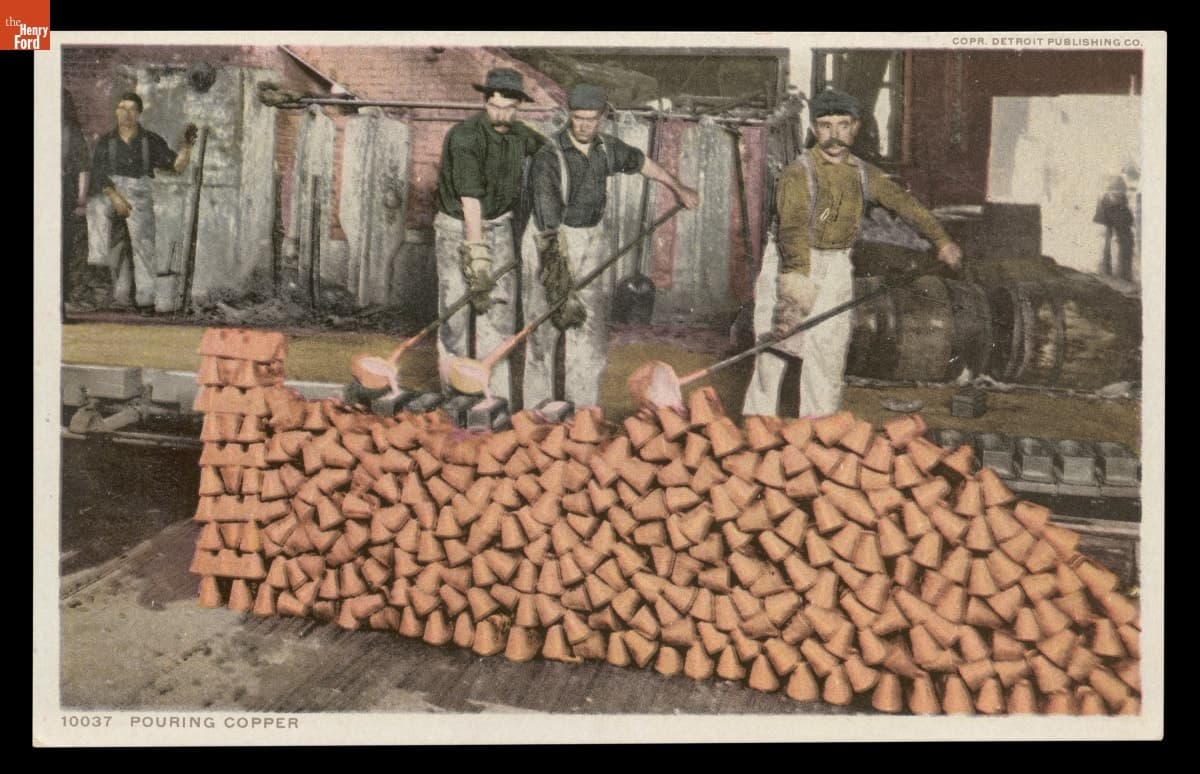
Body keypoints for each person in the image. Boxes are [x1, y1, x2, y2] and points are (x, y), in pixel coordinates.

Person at [743, 89, 963, 418]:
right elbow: (793, 235)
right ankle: (757, 423)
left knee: (828, 350)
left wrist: (942, 240)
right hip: (791, 263)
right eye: (826, 126)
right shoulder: (797, 174)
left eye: (842, 125)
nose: (834, 135)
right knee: (774, 350)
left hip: (835, 263)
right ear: (814, 129)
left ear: (855, 127)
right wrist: (792, 304)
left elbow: (904, 203)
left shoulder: (863, 173)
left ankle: (817, 426)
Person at [521, 83, 699, 409]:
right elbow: (547, 227)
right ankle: (537, 411)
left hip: (591, 237)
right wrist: (561, 287)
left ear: (601, 118)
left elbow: (641, 162)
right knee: (544, 330)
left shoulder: (606, 148)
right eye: (577, 118)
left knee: (588, 330)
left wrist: (678, 188)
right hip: (550, 239)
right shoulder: (549, 156)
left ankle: (583, 410)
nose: (583, 125)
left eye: (590, 119)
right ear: (569, 116)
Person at [433, 68, 545, 402]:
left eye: (509, 109)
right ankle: (453, 395)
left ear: (519, 106)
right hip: (458, 228)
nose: (501, 115)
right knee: (455, 313)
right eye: (495, 107)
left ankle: (493, 398)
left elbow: (551, 154)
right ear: (485, 102)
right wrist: (477, 257)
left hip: (501, 225)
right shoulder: (465, 137)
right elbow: (471, 202)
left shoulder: (520, 134)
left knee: (499, 312)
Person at [86, 92, 196, 314]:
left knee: (143, 244)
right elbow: (97, 174)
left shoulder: (150, 140)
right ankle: (103, 270)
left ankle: (146, 299)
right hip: (111, 191)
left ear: (138, 114)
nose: (126, 114)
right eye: (122, 109)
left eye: (131, 109)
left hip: (138, 192)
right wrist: (115, 197)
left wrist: (187, 146)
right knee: (97, 210)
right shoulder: (106, 142)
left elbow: (176, 166)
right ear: (116, 112)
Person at [1094, 175, 1135, 282]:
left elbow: (1127, 217)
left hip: (1119, 220)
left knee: (1125, 242)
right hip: (1108, 218)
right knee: (1106, 242)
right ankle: (1107, 270)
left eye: (1119, 190)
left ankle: (1122, 273)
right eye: (1114, 189)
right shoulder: (1105, 199)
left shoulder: (1120, 199)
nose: (1117, 192)